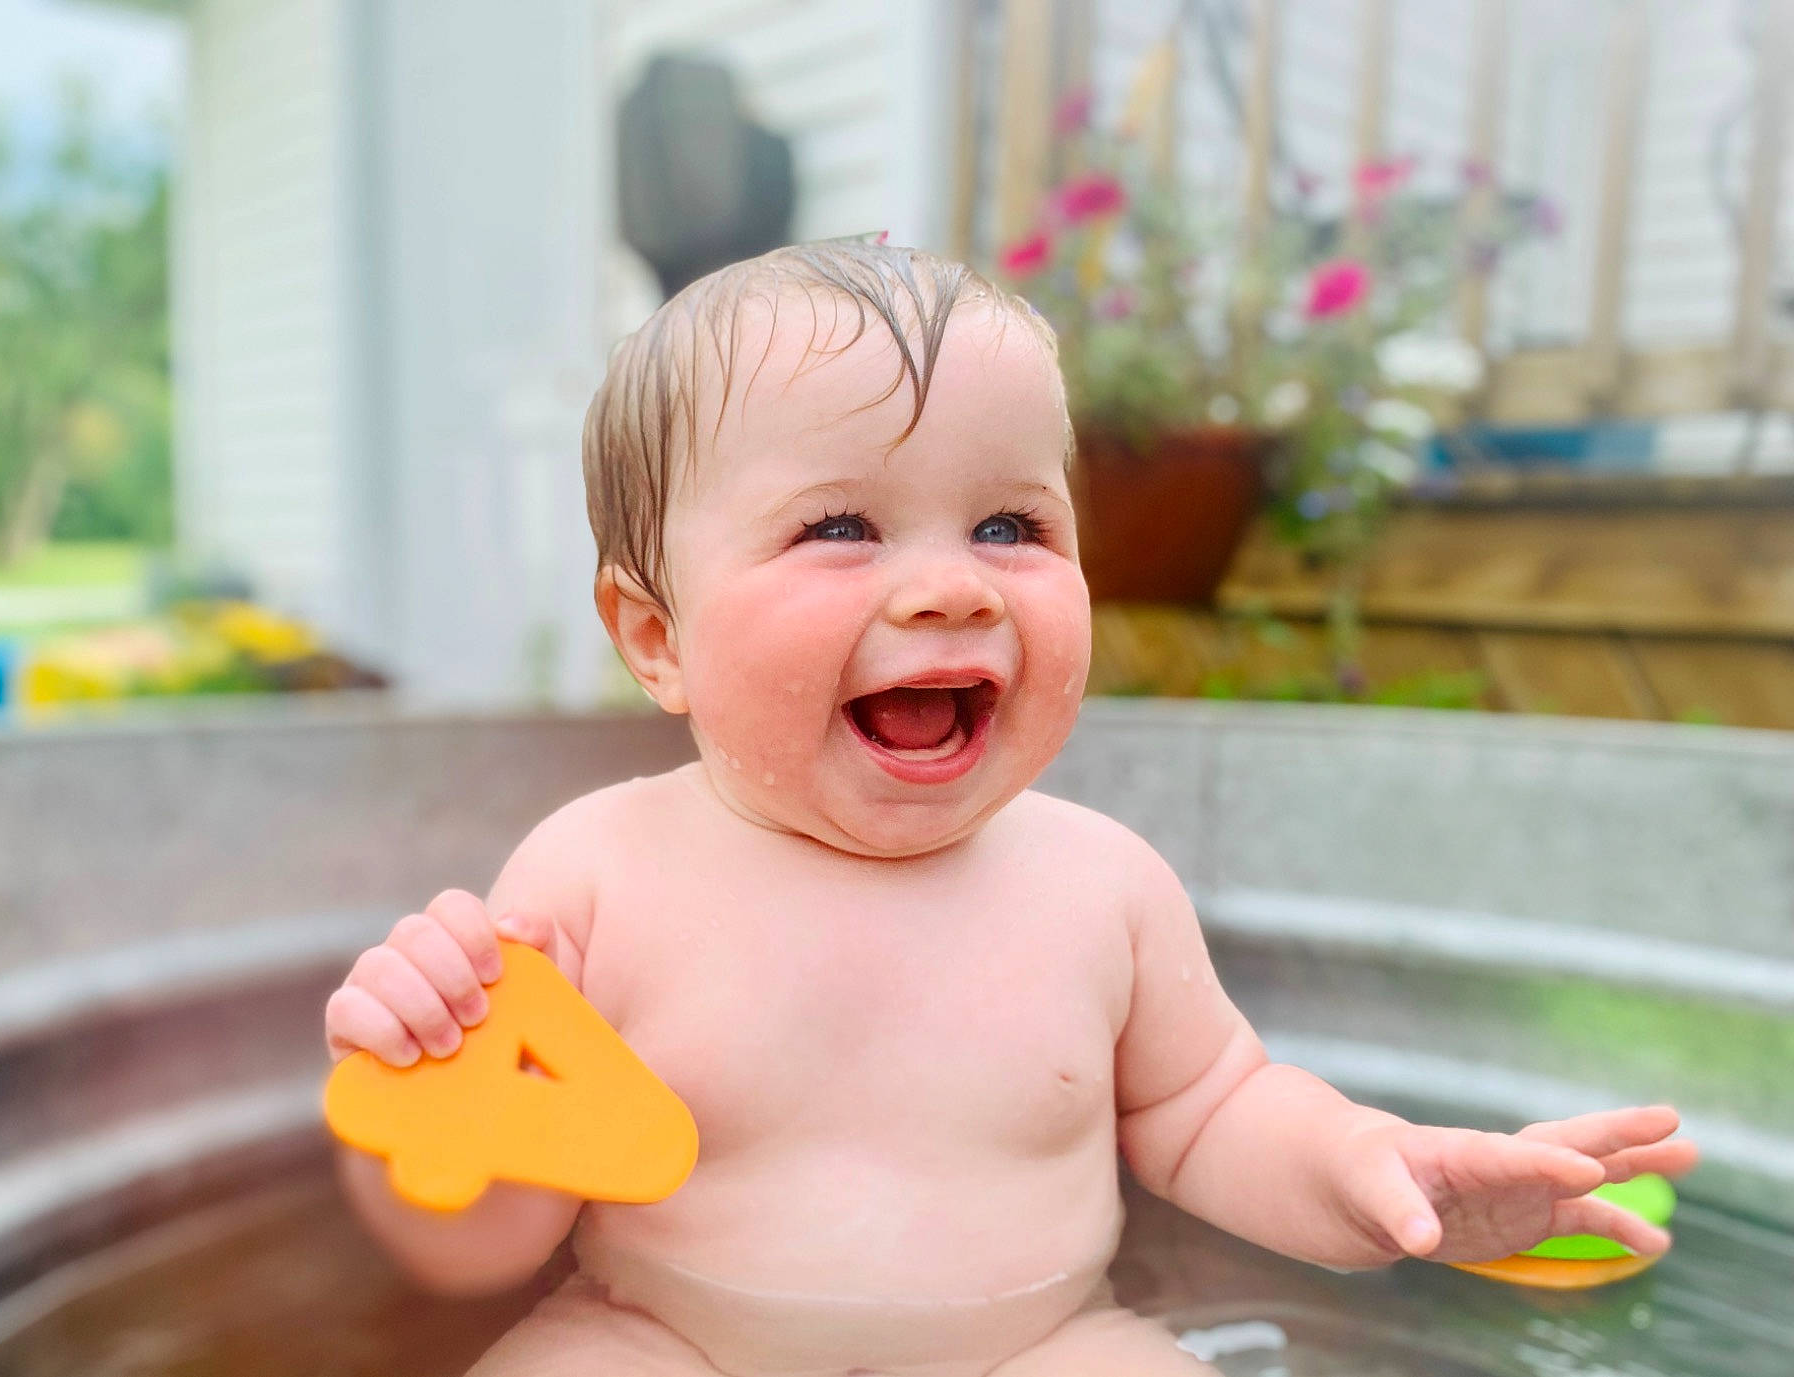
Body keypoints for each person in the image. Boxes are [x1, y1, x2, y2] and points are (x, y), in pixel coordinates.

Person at [322, 240, 1697, 1376]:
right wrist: (419, 1111)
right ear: (655, 634)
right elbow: (486, 1240)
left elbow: (1217, 1115)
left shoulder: (1101, 885)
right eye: (841, 527)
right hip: (668, 1337)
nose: (953, 588)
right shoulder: (597, 874)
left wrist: (1381, 1176)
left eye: (1011, 527)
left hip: (1036, 1346)